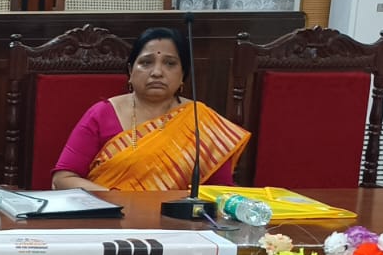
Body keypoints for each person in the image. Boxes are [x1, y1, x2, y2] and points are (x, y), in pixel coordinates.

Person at [51, 27, 249, 191]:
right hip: (110, 217)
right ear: (130, 71)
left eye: (170, 64)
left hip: (178, 222)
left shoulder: (201, 121)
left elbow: (220, 190)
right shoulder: (102, 114)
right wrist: (118, 201)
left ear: (183, 75)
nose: (157, 72)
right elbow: (63, 178)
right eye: (146, 63)